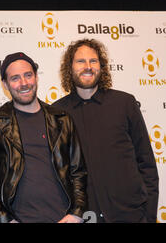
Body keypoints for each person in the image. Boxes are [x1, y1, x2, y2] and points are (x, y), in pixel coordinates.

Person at [53, 38, 159, 223]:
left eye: (93, 61)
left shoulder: (125, 103)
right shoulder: (58, 112)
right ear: (70, 68)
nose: (88, 66)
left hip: (130, 215)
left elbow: (146, 163)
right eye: (80, 61)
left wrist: (148, 215)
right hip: (84, 217)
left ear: (101, 67)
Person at [0, 52, 87, 223]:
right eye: (15, 78)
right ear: (5, 84)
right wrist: (4, 220)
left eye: (28, 75)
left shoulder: (62, 119)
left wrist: (77, 213)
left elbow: (78, 172)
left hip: (63, 219)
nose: (24, 83)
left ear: (36, 76)